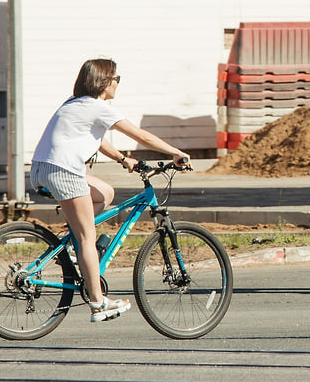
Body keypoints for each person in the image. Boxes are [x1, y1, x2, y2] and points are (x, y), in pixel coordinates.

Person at [30, 59, 191, 322]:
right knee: (87, 238)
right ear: (104, 82)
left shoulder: (74, 103)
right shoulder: (97, 107)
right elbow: (140, 135)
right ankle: (98, 303)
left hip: (42, 170)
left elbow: (97, 139)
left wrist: (121, 159)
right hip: (63, 171)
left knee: (104, 193)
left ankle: (74, 249)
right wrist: (176, 152)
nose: (118, 83)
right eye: (117, 78)